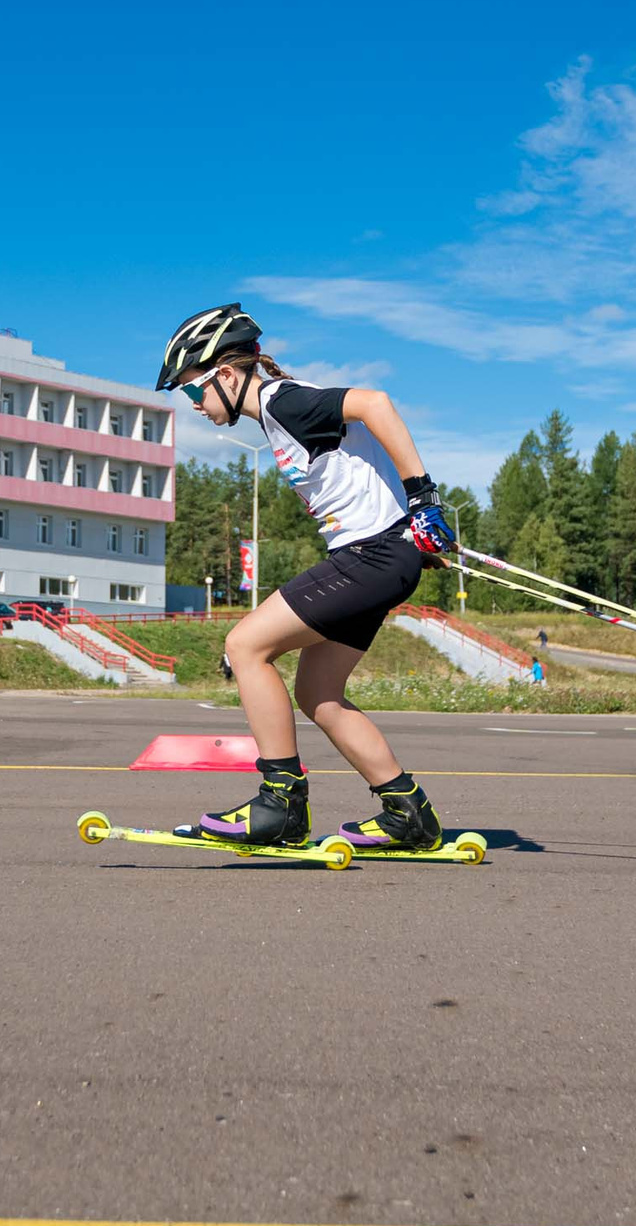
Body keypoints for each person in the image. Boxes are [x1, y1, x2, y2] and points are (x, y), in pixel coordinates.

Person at [153, 303, 458, 851]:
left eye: (192, 390)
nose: (193, 404)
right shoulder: (279, 414)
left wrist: (421, 499)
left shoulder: (282, 401)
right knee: (319, 693)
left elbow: (374, 403)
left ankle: (281, 805)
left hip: (373, 555)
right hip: (386, 552)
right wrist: (411, 534)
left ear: (225, 375)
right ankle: (406, 813)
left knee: (244, 646)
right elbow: (361, 471)